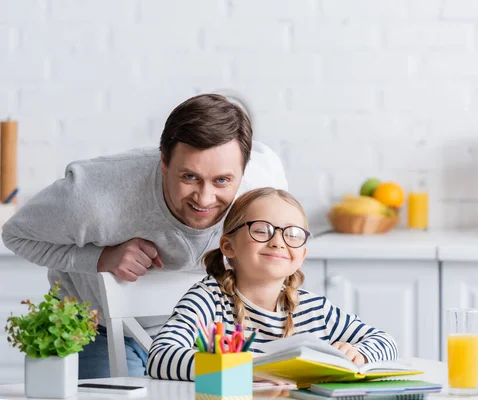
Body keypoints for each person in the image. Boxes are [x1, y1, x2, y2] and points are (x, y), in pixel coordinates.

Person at [1, 94, 287, 378]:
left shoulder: (262, 188)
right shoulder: (92, 195)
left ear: (244, 170)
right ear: (163, 161)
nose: (204, 198)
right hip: (102, 331)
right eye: (189, 177)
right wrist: (100, 258)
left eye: (222, 181)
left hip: (206, 335)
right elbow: (16, 235)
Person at [147, 187, 398, 381]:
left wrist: (360, 353)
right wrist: (244, 371)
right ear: (228, 246)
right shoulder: (208, 299)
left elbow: (386, 342)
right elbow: (160, 357)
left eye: (292, 234)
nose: (278, 242)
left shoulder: (315, 309)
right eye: (261, 230)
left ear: (302, 255)